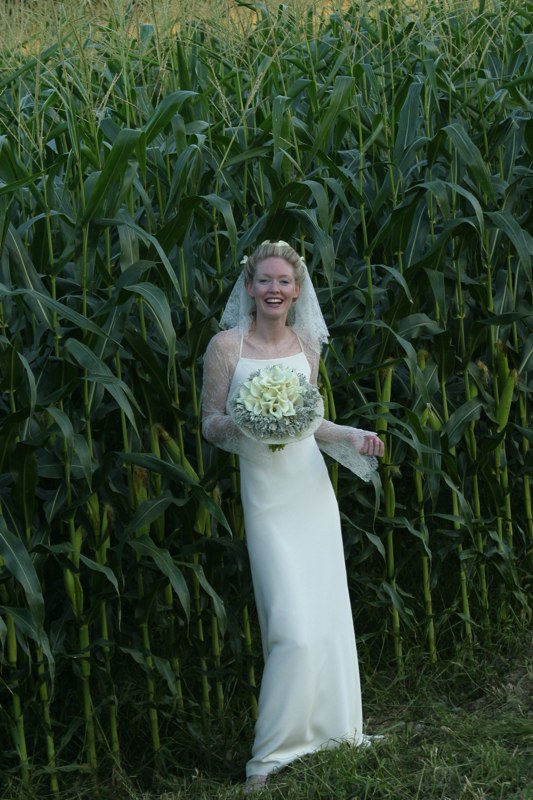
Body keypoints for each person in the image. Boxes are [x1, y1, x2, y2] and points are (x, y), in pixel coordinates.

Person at [201, 241, 384, 794]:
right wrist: (239, 424)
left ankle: (335, 728)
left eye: (285, 281)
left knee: (326, 615)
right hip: (265, 495)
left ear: (298, 289)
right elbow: (208, 420)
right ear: (250, 287)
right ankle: (271, 753)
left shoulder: (307, 347)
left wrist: (351, 435)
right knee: (291, 625)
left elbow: (311, 421)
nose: (274, 290)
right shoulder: (226, 348)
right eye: (265, 281)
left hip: (309, 489)